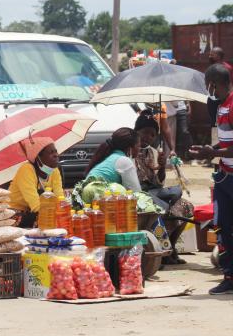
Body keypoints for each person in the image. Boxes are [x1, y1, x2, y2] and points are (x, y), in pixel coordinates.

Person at [189, 63, 233, 295]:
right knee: (222, 227)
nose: (209, 90)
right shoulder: (222, 106)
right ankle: (229, 276)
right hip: (225, 176)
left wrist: (212, 153)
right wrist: (211, 148)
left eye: (209, 85)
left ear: (214, 84)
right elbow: (227, 143)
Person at [134, 110, 192, 264]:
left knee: (185, 206)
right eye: (145, 133)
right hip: (140, 196)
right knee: (161, 207)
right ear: (136, 131)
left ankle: (171, 248)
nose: (148, 137)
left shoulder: (153, 152)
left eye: (152, 135)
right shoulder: (129, 151)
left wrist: (161, 167)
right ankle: (161, 251)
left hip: (154, 192)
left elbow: (159, 183)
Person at [8, 137, 64, 228]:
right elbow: (36, 206)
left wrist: (63, 211)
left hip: (34, 211)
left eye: (55, 151)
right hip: (14, 213)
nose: (56, 155)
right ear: (38, 157)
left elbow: (59, 197)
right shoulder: (26, 170)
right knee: (44, 220)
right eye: (51, 152)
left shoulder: (54, 171)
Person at [85, 127, 142, 191]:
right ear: (130, 148)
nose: (139, 149)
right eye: (138, 146)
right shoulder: (124, 161)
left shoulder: (109, 157)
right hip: (98, 199)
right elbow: (135, 191)